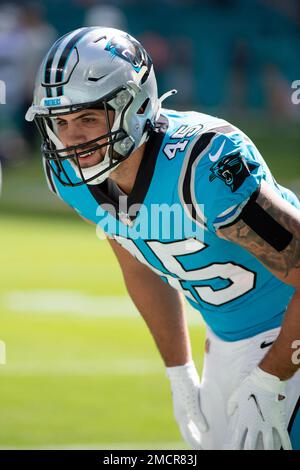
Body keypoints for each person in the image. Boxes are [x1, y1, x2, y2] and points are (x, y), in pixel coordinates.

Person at [26, 27, 300, 450]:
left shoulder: (206, 166)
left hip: (289, 332)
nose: (72, 139)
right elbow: (137, 260)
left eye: (87, 118)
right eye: (60, 122)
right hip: (225, 341)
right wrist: (179, 372)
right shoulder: (74, 178)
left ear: (133, 107)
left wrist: (273, 374)